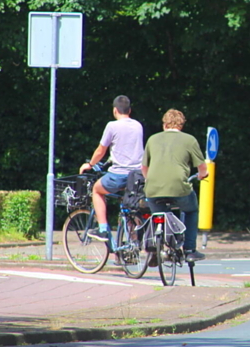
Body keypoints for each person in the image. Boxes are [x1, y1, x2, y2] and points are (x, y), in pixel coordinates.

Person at [142, 109, 209, 262]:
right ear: (181, 125)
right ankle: (189, 249)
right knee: (191, 210)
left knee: (158, 214)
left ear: (164, 124)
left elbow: (144, 168)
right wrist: (201, 175)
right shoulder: (189, 140)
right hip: (179, 188)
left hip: (153, 189)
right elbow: (202, 168)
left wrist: (149, 180)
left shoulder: (152, 139)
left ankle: (154, 245)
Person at [80, 96, 144, 243]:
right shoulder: (138, 125)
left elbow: (101, 150)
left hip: (119, 175)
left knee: (96, 190)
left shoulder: (112, 126)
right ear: (129, 110)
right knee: (129, 205)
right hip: (137, 176)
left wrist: (90, 164)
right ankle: (131, 243)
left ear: (115, 110)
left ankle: (102, 229)